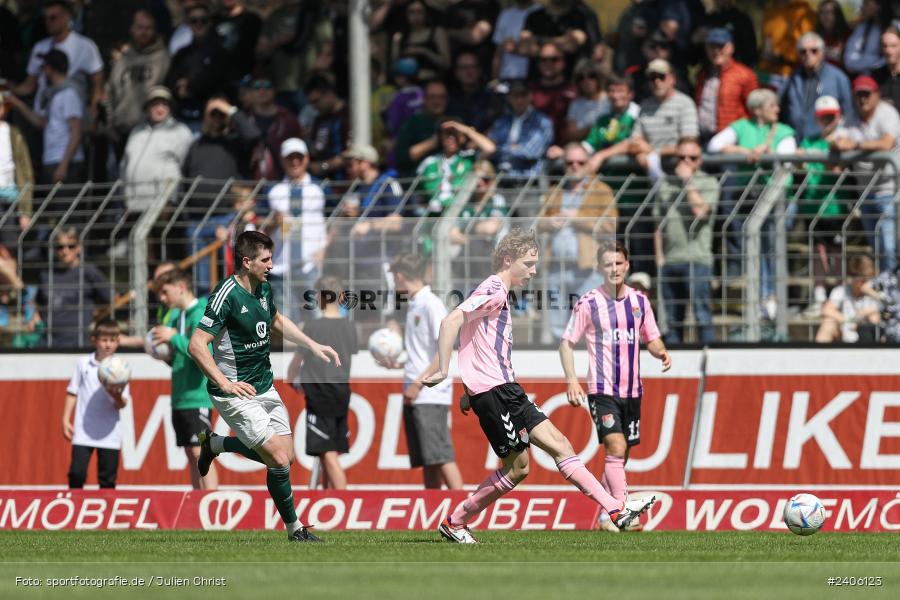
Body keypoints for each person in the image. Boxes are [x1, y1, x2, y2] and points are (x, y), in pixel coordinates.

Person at [422, 229, 656, 543]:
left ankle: (615, 509)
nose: (534, 271)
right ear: (508, 260)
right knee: (518, 469)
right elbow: (451, 321)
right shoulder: (493, 288)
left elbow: (473, 340)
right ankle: (456, 521)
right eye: (529, 263)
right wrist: (446, 371)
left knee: (561, 446)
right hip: (495, 393)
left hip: (505, 390)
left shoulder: (499, 292)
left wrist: (467, 389)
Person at [189, 230, 341, 542]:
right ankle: (294, 529)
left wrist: (312, 344)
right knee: (278, 458)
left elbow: (275, 321)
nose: (271, 265)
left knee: (287, 457)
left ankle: (216, 445)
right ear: (247, 262)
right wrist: (224, 382)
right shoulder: (225, 295)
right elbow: (197, 345)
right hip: (235, 392)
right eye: (266, 259)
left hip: (264, 386)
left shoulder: (263, 288)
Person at [558, 240, 671, 532]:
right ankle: (622, 514)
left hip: (632, 390)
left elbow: (652, 337)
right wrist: (572, 380)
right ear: (599, 268)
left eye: (618, 263)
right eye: (608, 264)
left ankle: (603, 518)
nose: (614, 269)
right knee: (617, 447)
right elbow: (567, 343)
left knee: (619, 457)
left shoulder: (640, 302)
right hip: (602, 388)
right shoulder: (589, 302)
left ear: (627, 265)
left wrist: (661, 352)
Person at [377, 254, 464, 490]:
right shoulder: (415, 303)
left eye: (394, 279)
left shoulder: (431, 304)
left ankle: (467, 514)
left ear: (400, 276)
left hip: (429, 393)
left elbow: (445, 350)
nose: (393, 285)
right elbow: (421, 352)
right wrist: (398, 365)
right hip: (417, 391)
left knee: (441, 456)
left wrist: (417, 383)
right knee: (428, 459)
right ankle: (432, 510)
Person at [537, 143, 615, 338]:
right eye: (570, 162)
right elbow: (537, 224)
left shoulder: (601, 190)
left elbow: (610, 226)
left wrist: (577, 218)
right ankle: (560, 367)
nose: (575, 166)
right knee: (556, 329)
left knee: (590, 325)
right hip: (555, 267)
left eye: (580, 162)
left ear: (588, 163)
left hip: (587, 269)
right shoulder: (555, 191)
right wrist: (549, 222)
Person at [150, 269, 219, 490]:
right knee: (191, 453)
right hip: (180, 396)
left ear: (180, 287)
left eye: (164, 292)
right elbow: (183, 354)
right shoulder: (177, 316)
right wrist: (166, 354)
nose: (162, 298)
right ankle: (199, 506)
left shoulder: (200, 312)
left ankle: (212, 506)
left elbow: (203, 351)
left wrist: (174, 338)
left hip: (197, 397)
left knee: (202, 452)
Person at [287, 275, 357, 489]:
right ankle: (332, 500)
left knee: (326, 452)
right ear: (342, 297)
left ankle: (343, 501)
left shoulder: (312, 327)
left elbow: (296, 362)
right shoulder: (349, 326)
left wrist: (292, 380)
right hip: (341, 392)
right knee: (330, 449)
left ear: (318, 297)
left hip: (320, 394)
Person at [652, 137, 718, 345]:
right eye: (681, 157)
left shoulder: (709, 182)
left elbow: (700, 212)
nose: (686, 162)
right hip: (670, 260)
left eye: (693, 157)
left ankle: (710, 367)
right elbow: (658, 224)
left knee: (702, 315)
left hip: (697, 258)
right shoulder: (665, 184)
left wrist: (688, 181)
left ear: (700, 160)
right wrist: (659, 258)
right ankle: (674, 369)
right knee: (670, 320)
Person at [831, 75, 900, 273]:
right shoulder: (851, 116)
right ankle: (886, 287)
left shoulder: (887, 114)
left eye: (867, 94)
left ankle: (892, 289)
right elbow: (836, 139)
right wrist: (838, 144)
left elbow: (887, 143)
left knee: (888, 244)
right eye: (859, 94)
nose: (863, 99)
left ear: (877, 94)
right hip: (865, 190)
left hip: (890, 188)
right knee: (875, 243)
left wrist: (855, 145)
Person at [62, 318, 129, 488]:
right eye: (104, 340)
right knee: (77, 474)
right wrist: (65, 419)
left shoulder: (121, 368)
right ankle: (76, 509)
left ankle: (107, 514)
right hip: (83, 431)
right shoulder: (83, 363)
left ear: (118, 342)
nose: (108, 345)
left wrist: (115, 395)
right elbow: (72, 391)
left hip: (109, 435)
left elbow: (122, 404)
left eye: (113, 340)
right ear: (94, 340)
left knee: (107, 480)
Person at [266, 138, 328, 322]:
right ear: (282, 160)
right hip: (281, 264)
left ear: (306, 159)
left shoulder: (320, 188)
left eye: (299, 157)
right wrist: (273, 221)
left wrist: (325, 248)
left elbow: (338, 219)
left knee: (315, 317)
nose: (295, 162)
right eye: (290, 158)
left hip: (310, 263)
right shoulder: (273, 191)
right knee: (283, 321)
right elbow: (259, 226)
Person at [13, 0, 104, 121]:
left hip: (70, 119)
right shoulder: (40, 47)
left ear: (66, 17)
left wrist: (92, 113)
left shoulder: (85, 46)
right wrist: (8, 89)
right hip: (40, 117)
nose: (48, 22)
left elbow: (97, 84)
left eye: (53, 17)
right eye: (45, 18)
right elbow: (29, 85)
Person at [8, 49, 85, 185]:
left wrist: (63, 165)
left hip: (66, 162)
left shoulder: (68, 93)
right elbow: (42, 123)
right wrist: (18, 104)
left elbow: (76, 132)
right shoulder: (53, 94)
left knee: (65, 205)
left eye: (43, 67)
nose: (42, 71)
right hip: (51, 159)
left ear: (51, 69)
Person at [105, 8, 171, 158]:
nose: (144, 32)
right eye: (140, 27)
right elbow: (110, 93)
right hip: (121, 132)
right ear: (132, 29)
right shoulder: (122, 59)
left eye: (148, 28)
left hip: (151, 132)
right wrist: (110, 126)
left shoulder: (164, 58)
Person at [33, 227, 112, 347]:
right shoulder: (46, 274)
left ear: (78, 247)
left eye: (70, 246)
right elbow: (39, 303)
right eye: (60, 247)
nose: (65, 251)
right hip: (48, 342)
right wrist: (35, 317)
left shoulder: (89, 272)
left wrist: (96, 316)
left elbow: (112, 299)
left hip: (79, 342)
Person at [120, 86, 193, 214]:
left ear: (170, 108)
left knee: (158, 234)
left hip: (164, 204)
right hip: (132, 203)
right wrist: (123, 195)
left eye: (164, 104)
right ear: (147, 108)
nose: (160, 108)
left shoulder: (181, 131)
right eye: (155, 104)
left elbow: (187, 167)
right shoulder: (136, 131)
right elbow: (124, 165)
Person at [781, 32, 854, 142]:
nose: (808, 54)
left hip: (827, 144)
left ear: (822, 52)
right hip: (797, 143)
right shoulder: (792, 79)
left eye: (814, 51)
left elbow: (848, 111)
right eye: (803, 51)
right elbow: (781, 108)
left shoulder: (838, 77)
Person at [629, 58, 699, 171]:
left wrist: (652, 152)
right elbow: (635, 140)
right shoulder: (644, 106)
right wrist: (640, 152)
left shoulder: (685, 103)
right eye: (652, 78)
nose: (657, 82)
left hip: (681, 170)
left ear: (672, 79)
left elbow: (688, 143)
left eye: (661, 77)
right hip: (651, 173)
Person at [694, 28, 758, 143]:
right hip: (703, 138)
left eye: (721, 46)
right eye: (712, 46)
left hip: (732, 140)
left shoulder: (745, 74)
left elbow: (755, 111)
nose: (716, 51)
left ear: (731, 48)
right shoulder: (702, 74)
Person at [488, 81, 553, 181]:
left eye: (523, 95)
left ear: (530, 96)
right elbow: (488, 147)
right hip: (501, 179)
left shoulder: (542, 121)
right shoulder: (502, 121)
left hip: (528, 182)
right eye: (515, 96)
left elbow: (531, 152)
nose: (519, 100)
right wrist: (513, 148)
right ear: (509, 98)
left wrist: (498, 149)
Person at [815, 254, 881, 343]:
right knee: (828, 322)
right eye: (862, 280)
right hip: (844, 331)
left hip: (865, 334)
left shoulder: (874, 292)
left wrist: (867, 311)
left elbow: (885, 309)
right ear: (853, 278)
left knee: (874, 318)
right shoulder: (841, 290)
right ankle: (820, 355)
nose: (865, 283)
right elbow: (826, 309)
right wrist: (848, 321)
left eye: (868, 279)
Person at [844, 0, 893, 77]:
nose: (862, 7)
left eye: (866, 4)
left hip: (884, 76)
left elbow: (890, 57)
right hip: (861, 76)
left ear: (878, 6)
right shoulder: (863, 27)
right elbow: (850, 55)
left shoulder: (892, 28)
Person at [815, 0, 850, 68]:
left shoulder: (847, 36)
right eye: (822, 13)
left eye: (829, 12)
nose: (825, 16)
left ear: (837, 15)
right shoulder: (815, 37)